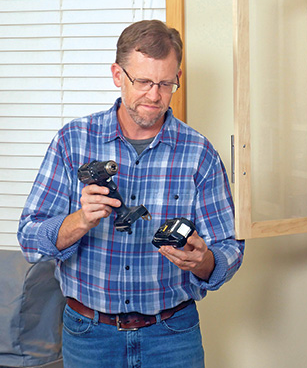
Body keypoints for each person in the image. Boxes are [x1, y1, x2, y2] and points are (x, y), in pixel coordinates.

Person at [18, 20, 244, 368]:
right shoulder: (72, 141)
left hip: (172, 336)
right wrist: (80, 221)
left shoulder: (199, 153)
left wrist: (204, 261)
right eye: (142, 82)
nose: (154, 95)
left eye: (166, 83)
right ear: (116, 74)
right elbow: (30, 238)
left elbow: (230, 247)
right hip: (89, 336)